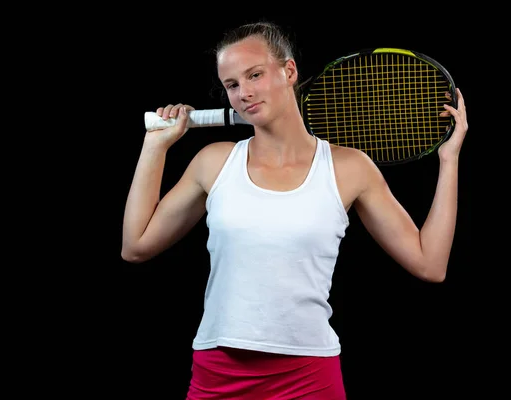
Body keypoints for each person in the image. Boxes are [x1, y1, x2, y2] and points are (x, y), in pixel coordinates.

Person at [121, 21, 468, 400]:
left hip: (308, 376)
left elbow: (430, 264)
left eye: (255, 75)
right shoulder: (213, 162)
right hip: (218, 374)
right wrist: (155, 147)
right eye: (232, 85)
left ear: (289, 72)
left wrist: (449, 161)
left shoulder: (349, 168)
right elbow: (135, 245)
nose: (244, 93)